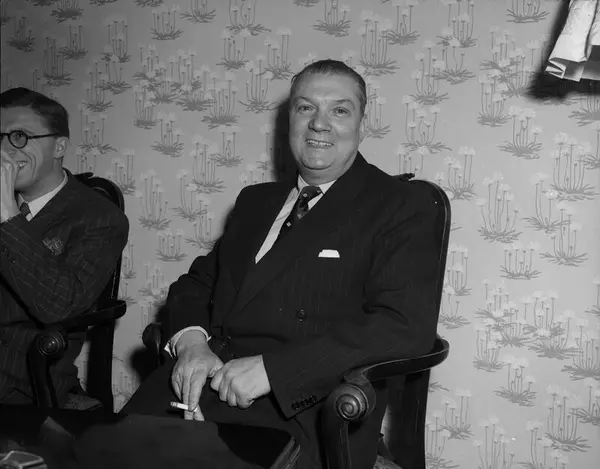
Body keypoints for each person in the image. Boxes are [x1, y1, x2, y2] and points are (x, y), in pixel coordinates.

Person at [108, 59, 440, 469]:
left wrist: (275, 373)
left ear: (361, 124)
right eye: (305, 108)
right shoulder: (256, 201)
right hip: (195, 388)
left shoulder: (400, 204)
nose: (319, 124)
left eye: (339, 110)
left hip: (306, 411)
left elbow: (403, 326)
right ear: (290, 120)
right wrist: (192, 344)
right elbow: (197, 284)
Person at [0, 87, 129, 406]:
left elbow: (58, 307)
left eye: (19, 136)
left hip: (21, 381)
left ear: (59, 146)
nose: (4, 150)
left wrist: (8, 216)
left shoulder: (100, 218)